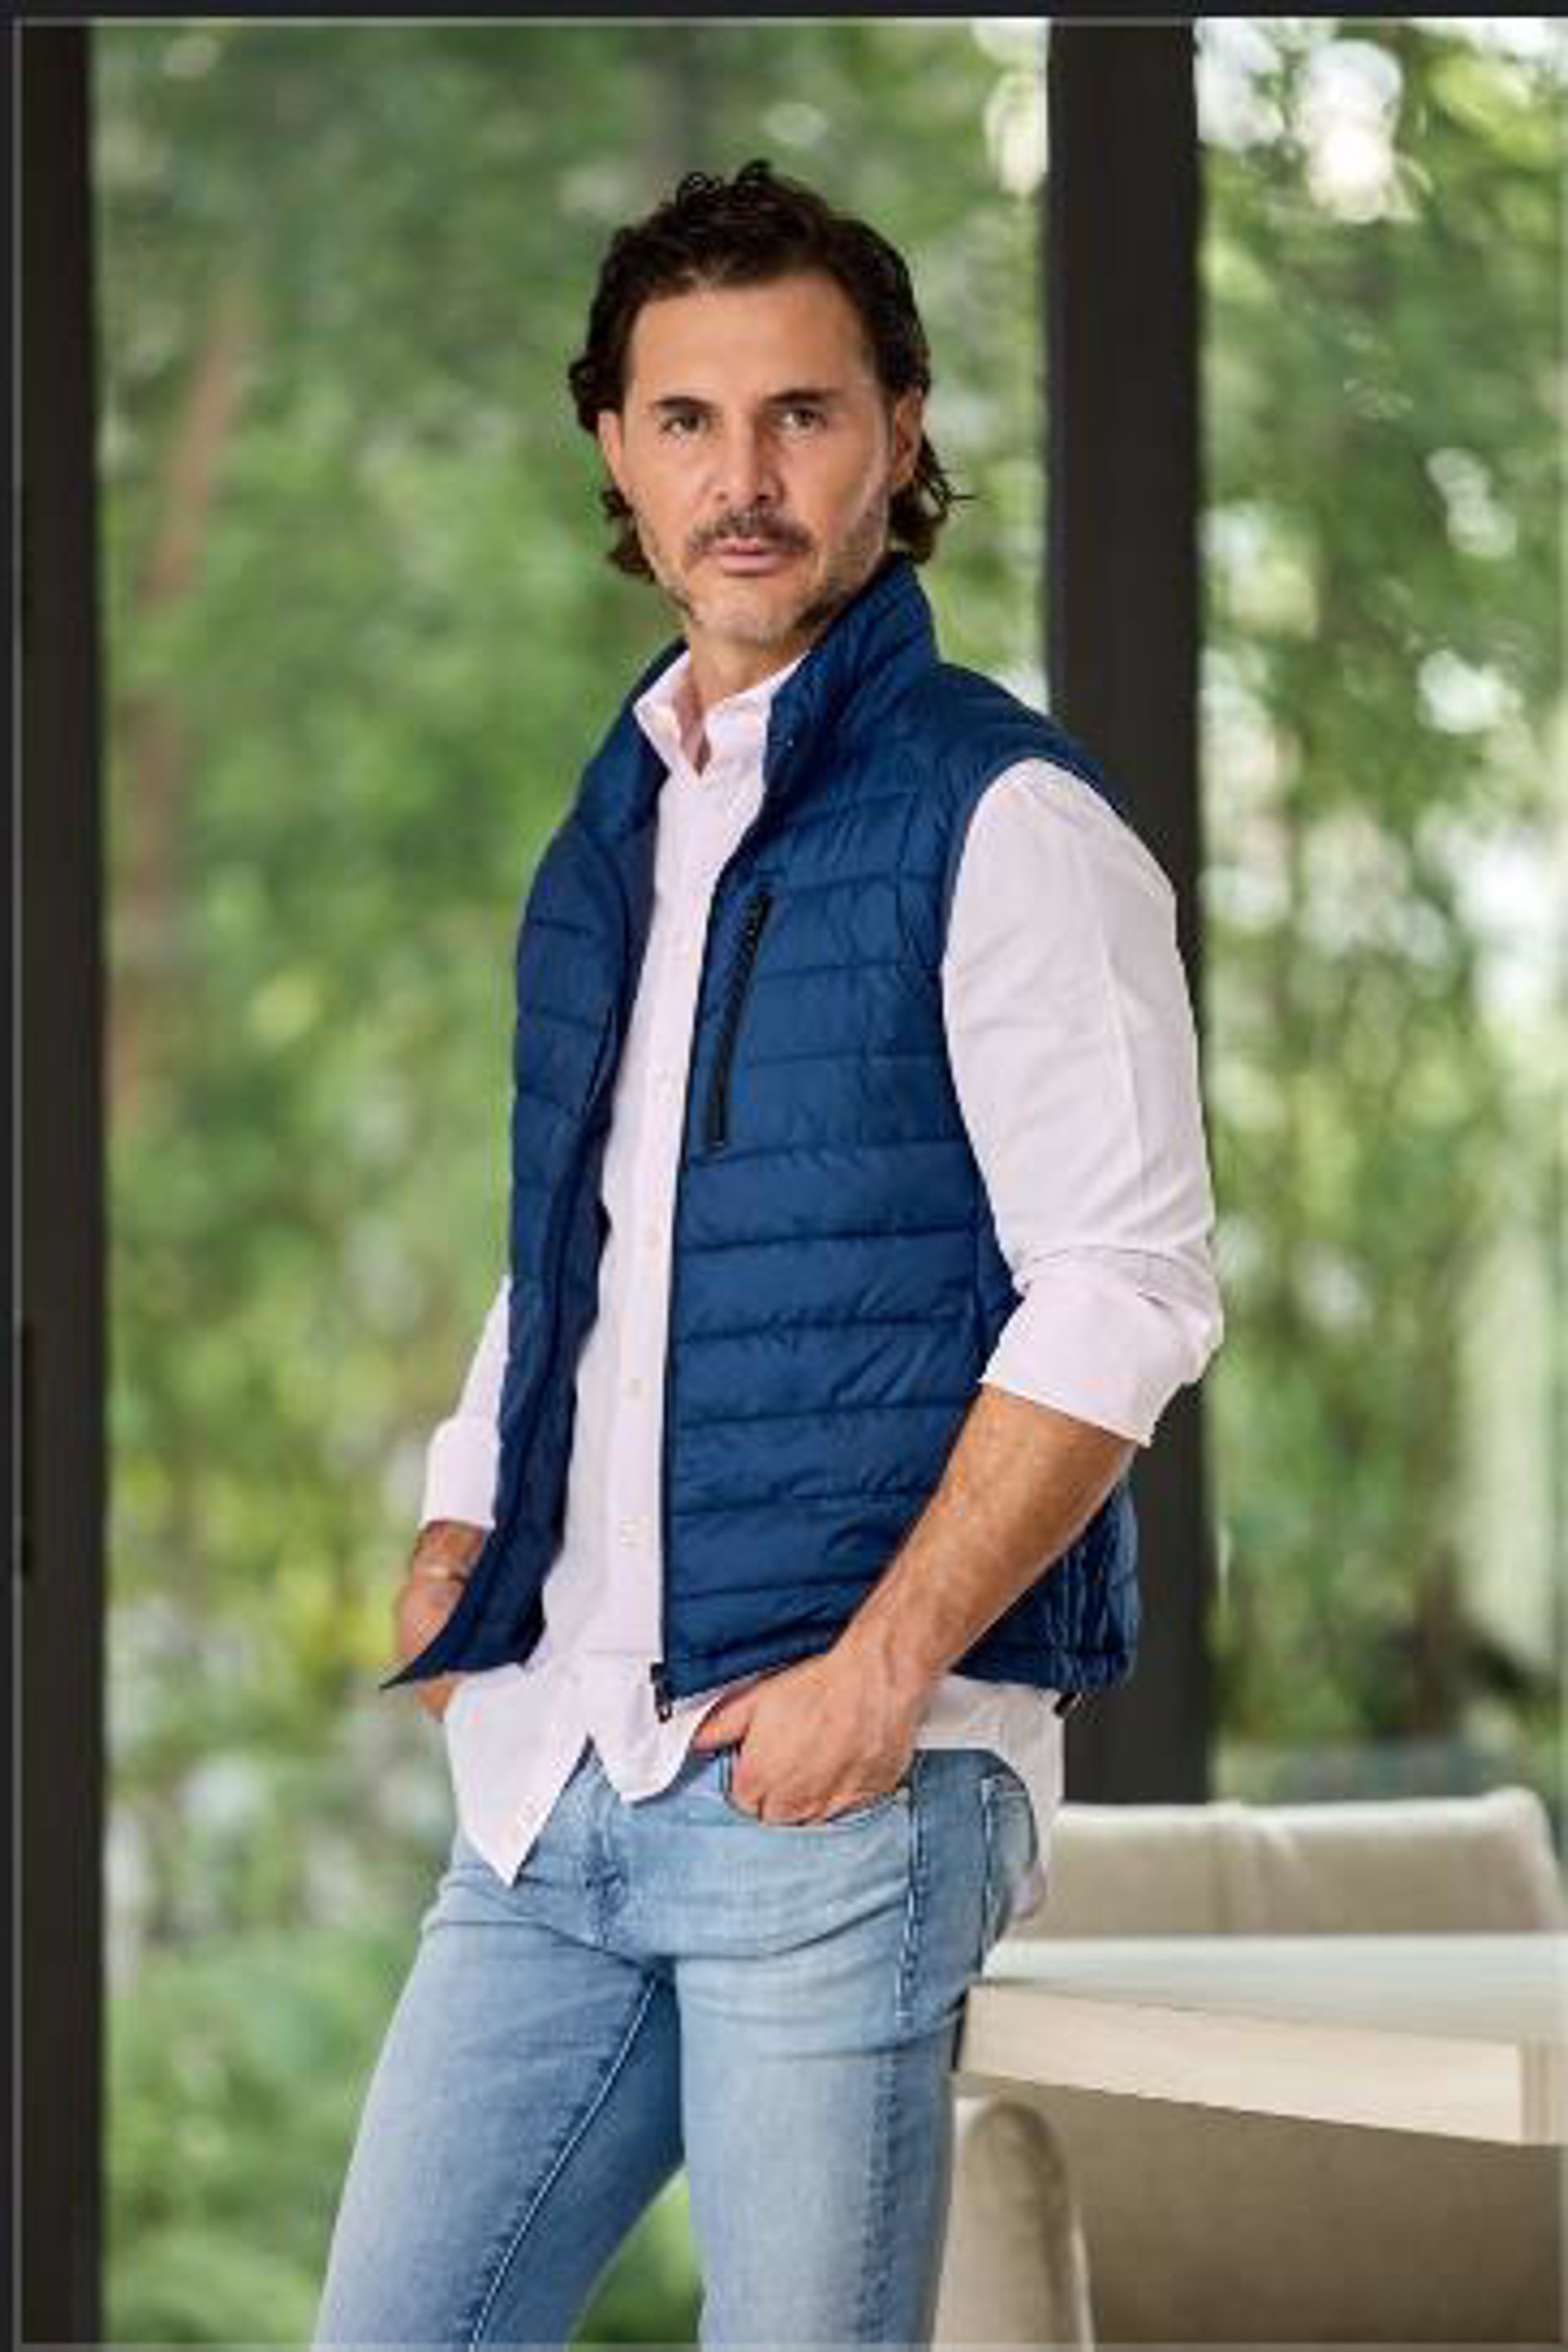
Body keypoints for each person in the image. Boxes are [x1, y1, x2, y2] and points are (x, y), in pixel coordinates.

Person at [313, 158, 1223, 2349]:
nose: (744, 478)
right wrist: (464, 1515)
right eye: (689, 420)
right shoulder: (617, 821)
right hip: (560, 1782)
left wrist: (881, 1678)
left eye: (801, 414)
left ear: (899, 435)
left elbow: (1128, 1288)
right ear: (616, 452)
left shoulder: (1009, 820)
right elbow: (582, 1228)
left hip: (838, 1793)